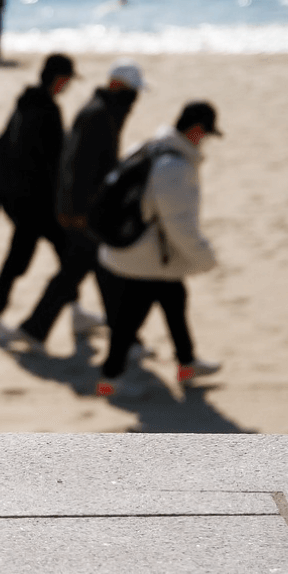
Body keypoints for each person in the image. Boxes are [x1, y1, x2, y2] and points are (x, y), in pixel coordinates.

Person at [0, 59, 146, 349]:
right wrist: (76, 210)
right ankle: (5, 321)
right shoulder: (76, 114)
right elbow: (68, 165)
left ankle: (45, 325)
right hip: (48, 207)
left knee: (75, 267)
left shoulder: (32, 105)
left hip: (48, 205)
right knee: (29, 263)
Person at [94, 101, 223, 397]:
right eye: (204, 134)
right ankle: (109, 379)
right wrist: (206, 257)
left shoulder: (149, 146)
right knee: (130, 318)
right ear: (195, 130)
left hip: (139, 249)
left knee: (175, 297)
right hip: (148, 255)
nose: (204, 141)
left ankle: (187, 363)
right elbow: (178, 223)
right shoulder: (174, 167)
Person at [0, 54, 75, 339]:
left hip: (19, 198)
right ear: (60, 80)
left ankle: (76, 311)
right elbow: (54, 162)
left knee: (68, 255)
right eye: (68, 80)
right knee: (20, 259)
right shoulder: (47, 110)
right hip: (36, 203)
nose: (68, 86)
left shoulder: (25, 103)